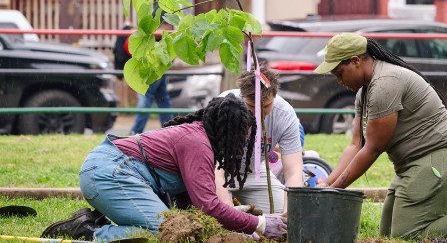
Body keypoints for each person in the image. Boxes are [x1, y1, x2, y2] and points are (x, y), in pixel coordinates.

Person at [313, 33, 447, 239]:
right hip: (416, 165)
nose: (339, 80)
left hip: (445, 157)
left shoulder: (385, 84)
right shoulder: (363, 93)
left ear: (356, 61)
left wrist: (336, 190)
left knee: (407, 233)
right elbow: (356, 145)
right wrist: (328, 185)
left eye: (339, 73)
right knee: (388, 232)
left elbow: (373, 148)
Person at [40, 95, 287, 241]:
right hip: (109, 173)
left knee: (183, 223)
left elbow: (197, 204)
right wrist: (260, 224)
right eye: (242, 135)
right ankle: (90, 231)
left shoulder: (201, 139)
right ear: (228, 131)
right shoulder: (197, 143)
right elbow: (208, 206)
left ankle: (97, 220)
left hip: (110, 170)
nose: (244, 141)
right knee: (170, 233)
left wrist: (243, 223)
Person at [216, 66, 304, 213]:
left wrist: (290, 214)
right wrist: (228, 212)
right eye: (251, 106)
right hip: (219, 172)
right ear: (242, 96)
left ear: (274, 96)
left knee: (282, 213)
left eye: (266, 106)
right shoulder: (224, 107)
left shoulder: (285, 115)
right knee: (214, 216)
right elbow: (214, 167)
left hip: (253, 173)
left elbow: (294, 171)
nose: (258, 113)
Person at [130, 0, 173, 134]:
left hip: (158, 56)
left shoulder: (164, 6)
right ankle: (170, 128)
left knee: (146, 92)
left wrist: (148, 32)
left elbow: (168, 30)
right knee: (162, 98)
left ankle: (135, 131)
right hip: (151, 55)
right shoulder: (147, 6)